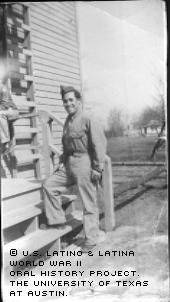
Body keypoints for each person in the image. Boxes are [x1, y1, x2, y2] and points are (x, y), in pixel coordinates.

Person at [43, 86, 107, 252]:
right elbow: (66, 146)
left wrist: (97, 168)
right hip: (70, 163)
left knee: (88, 201)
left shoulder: (88, 118)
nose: (68, 103)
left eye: (71, 100)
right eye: (65, 101)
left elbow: (99, 144)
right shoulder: (67, 120)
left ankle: (91, 239)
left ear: (79, 101)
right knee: (49, 185)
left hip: (85, 162)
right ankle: (57, 222)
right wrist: (62, 160)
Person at [0, 76, 19, 177]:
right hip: (5, 116)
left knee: (0, 114)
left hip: (11, 112)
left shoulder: (2, 88)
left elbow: (5, 105)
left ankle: (6, 142)